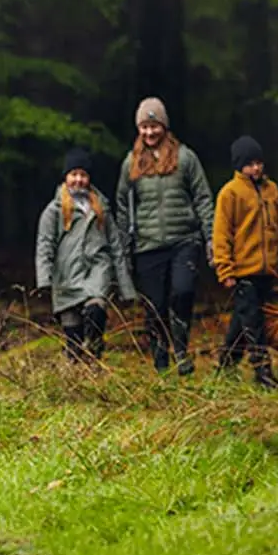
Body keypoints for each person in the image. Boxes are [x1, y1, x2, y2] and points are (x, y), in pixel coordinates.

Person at [115, 97, 214, 376]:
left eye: (154, 126)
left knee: (183, 292)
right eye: (144, 127)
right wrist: (124, 249)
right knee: (154, 306)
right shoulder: (131, 163)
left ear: (164, 126)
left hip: (184, 240)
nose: (149, 132)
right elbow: (122, 207)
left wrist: (210, 238)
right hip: (147, 245)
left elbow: (203, 198)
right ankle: (161, 361)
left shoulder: (185, 158)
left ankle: (181, 350)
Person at [35, 147, 135, 363]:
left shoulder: (102, 209)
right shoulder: (54, 211)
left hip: (96, 272)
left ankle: (94, 350)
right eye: (74, 174)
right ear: (66, 177)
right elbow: (45, 245)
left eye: (83, 175)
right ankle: (79, 370)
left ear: (89, 179)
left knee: (95, 312)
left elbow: (116, 247)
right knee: (74, 341)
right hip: (66, 278)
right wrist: (44, 279)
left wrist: (126, 287)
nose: (78, 180)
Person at [212, 134, 278, 388]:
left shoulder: (272, 190)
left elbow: (277, 230)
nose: (256, 168)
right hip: (243, 269)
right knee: (254, 322)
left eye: (258, 162)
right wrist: (225, 269)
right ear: (239, 165)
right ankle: (263, 371)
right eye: (249, 164)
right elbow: (222, 234)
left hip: (266, 269)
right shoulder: (230, 194)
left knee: (243, 319)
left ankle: (226, 361)